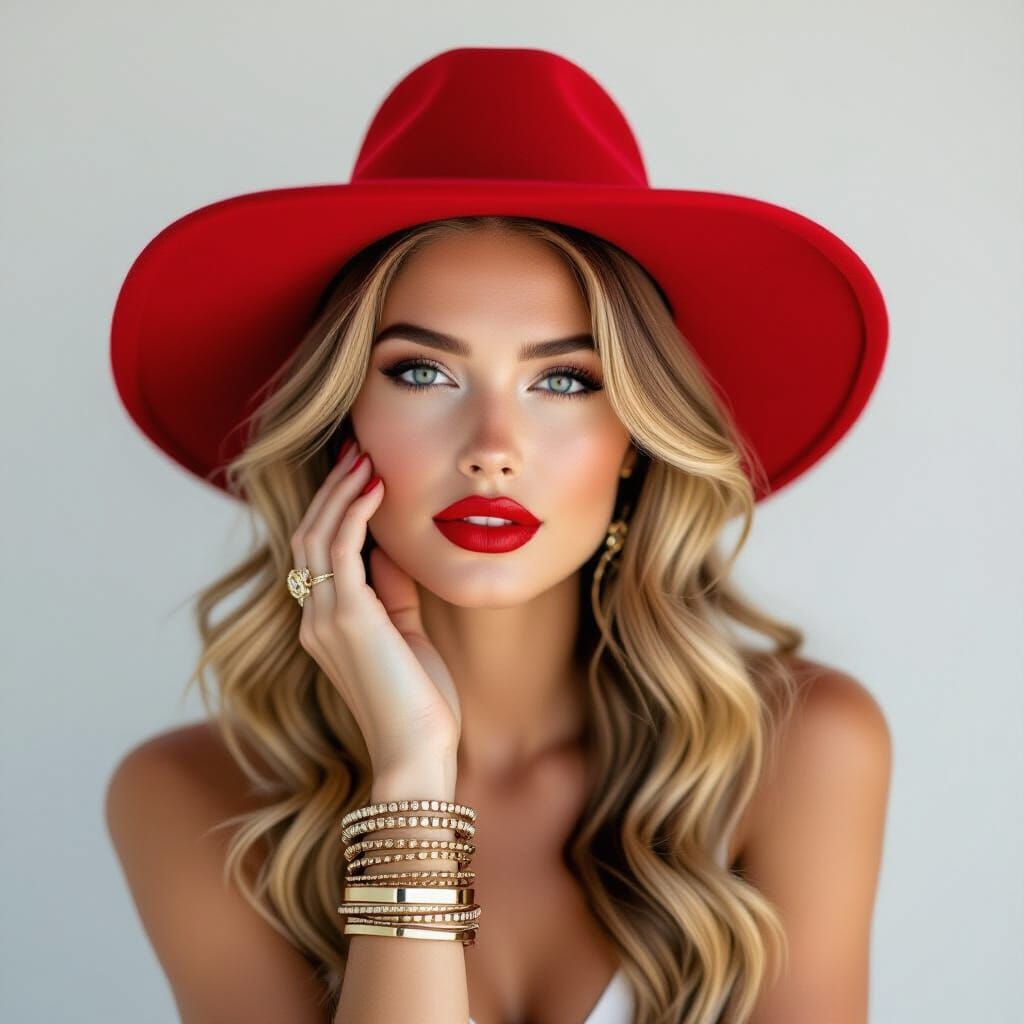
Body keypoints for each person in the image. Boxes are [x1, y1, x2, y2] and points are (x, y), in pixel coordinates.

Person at [104, 48, 892, 1024]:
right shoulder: (191, 796)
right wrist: (408, 771)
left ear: (637, 440)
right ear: (340, 419)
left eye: (562, 380)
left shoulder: (799, 751)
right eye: (421, 374)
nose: (491, 450)